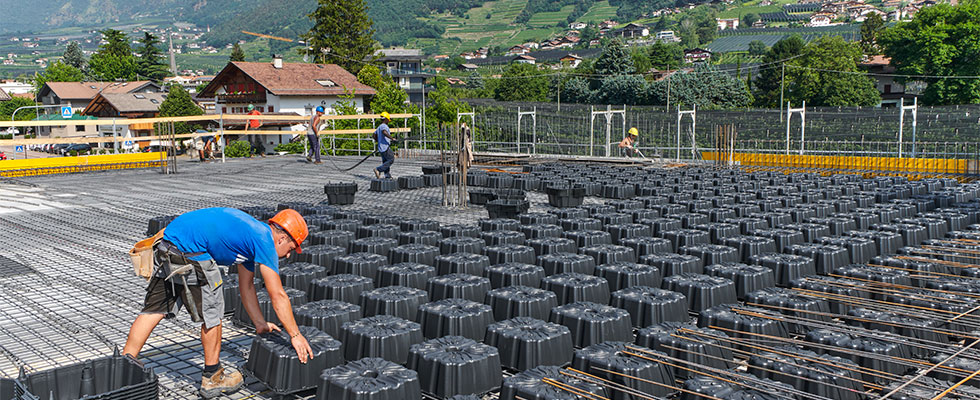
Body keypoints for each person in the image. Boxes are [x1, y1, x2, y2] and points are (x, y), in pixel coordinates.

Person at [122, 208, 314, 399]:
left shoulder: (250, 238)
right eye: (291, 248)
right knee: (212, 312)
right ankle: (213, 377)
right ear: (281, 239)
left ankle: (125, 364)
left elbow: (246, 288)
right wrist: (295, 335)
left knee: (154, 310)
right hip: (190, 250)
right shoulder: (265, 240)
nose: (288, 255)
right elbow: (277, 294)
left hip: (166, 244)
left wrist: (260, 325)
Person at [373, 111, 396, 179]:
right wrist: (392, 138)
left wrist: (378, 141)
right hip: (385, 147)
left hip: (381, 147)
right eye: (388, 120)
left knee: (385, 161)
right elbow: (384, 132)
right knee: (391, 159)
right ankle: (378, 169)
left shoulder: (379, 127)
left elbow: (374, 135)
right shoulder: (384, 126)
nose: (388, 121)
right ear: (386, 119)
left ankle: (387, 175)